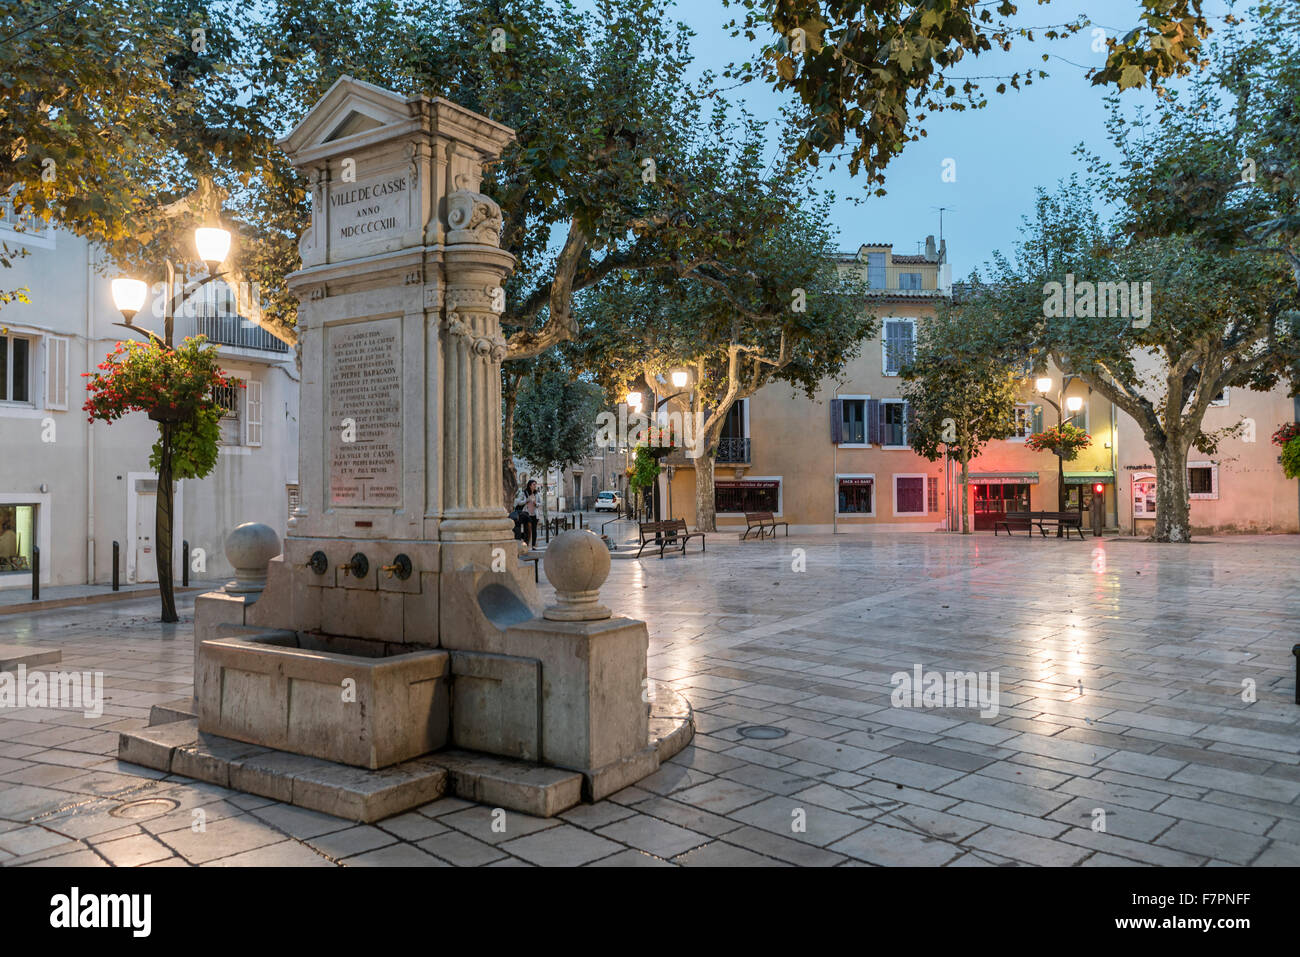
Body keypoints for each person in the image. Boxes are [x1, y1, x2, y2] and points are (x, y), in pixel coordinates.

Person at [522, 479, 539, 548]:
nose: (535, 486)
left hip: (534, 514)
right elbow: (519, 502)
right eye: (533, 484)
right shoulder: (524, 493)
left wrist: (536, 503)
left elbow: (541, 503)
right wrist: (526, 500)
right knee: (527, 531)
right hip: (527, 514)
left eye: (535, 484)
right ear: (530, 485)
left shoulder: (536, 494)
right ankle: (526, 544)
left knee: (534, 530)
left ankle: (534, 545)